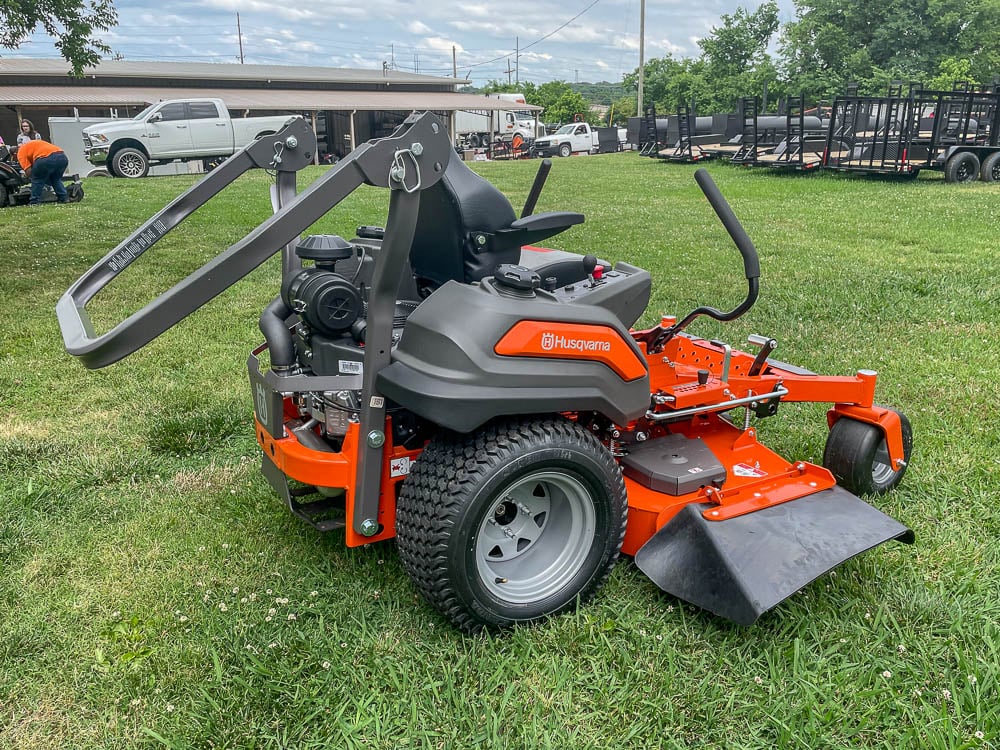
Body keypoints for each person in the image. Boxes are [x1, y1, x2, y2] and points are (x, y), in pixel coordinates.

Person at [11, 139, 69, 204]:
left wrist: (26, 176)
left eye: (15, 159)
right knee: (55, 179)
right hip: (62, 157)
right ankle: (64, 198)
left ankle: (34, 201)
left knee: (37, 179)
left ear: (14, 154)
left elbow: (28, 170)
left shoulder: (20, 152)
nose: (17, 160)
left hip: (45, 159)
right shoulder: (30, 145)